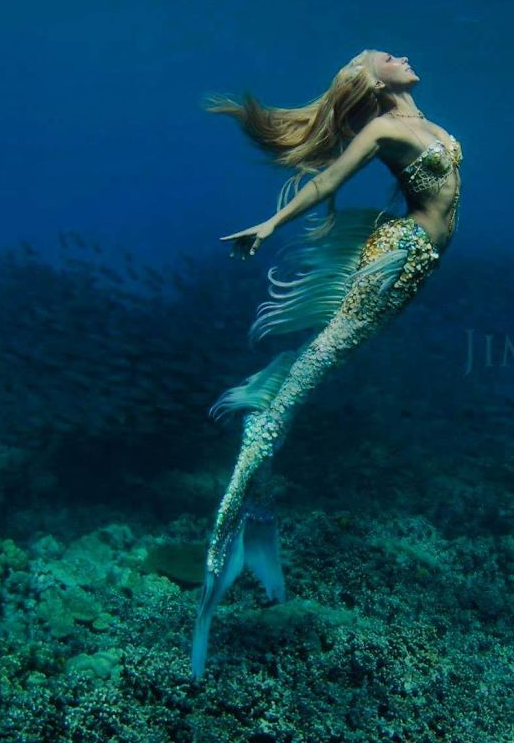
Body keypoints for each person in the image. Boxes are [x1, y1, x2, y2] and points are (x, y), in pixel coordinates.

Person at [191, 49, 463, 678]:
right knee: (302, 381)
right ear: (370, 79)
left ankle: (252, 512)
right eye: (383, 56)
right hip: (396, 261)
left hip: (408, 257)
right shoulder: (384, 130)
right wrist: (268, 224)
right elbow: (327, 183)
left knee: (310, 374)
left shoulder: (421, 122)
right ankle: (220, 551)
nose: (400, 55)